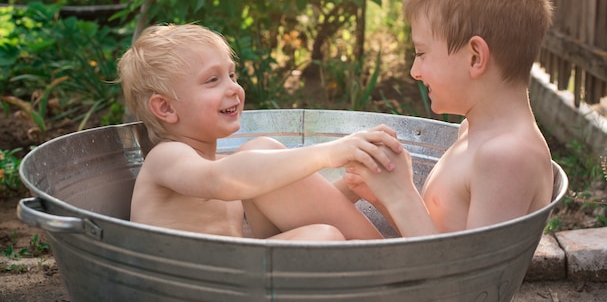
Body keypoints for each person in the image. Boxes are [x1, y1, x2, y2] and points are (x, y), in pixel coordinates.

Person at [117, 23, 404, 241]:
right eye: (212, 80)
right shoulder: (166, 157)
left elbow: (295, 204)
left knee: (270, 174)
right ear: (165, 108)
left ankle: (381, 262)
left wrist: (350, 184)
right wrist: (329, 152)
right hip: (190, 286)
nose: (233, 88)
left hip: (232, 278)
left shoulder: (223, 170)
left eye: (231, 75)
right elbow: (223, 180)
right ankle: (388, 269)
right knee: (316, 232)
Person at [344, 0, 555, 237]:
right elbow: (441, 239)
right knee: (279, 171)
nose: (414, 71)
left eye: (421, 53)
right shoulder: (473, 130)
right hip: (426, 273)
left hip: (434, 281)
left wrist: (402, 196)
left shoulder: (507, 156)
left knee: (314, 228)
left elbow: (474, 276)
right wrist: (382, 199)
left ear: (475, 57)